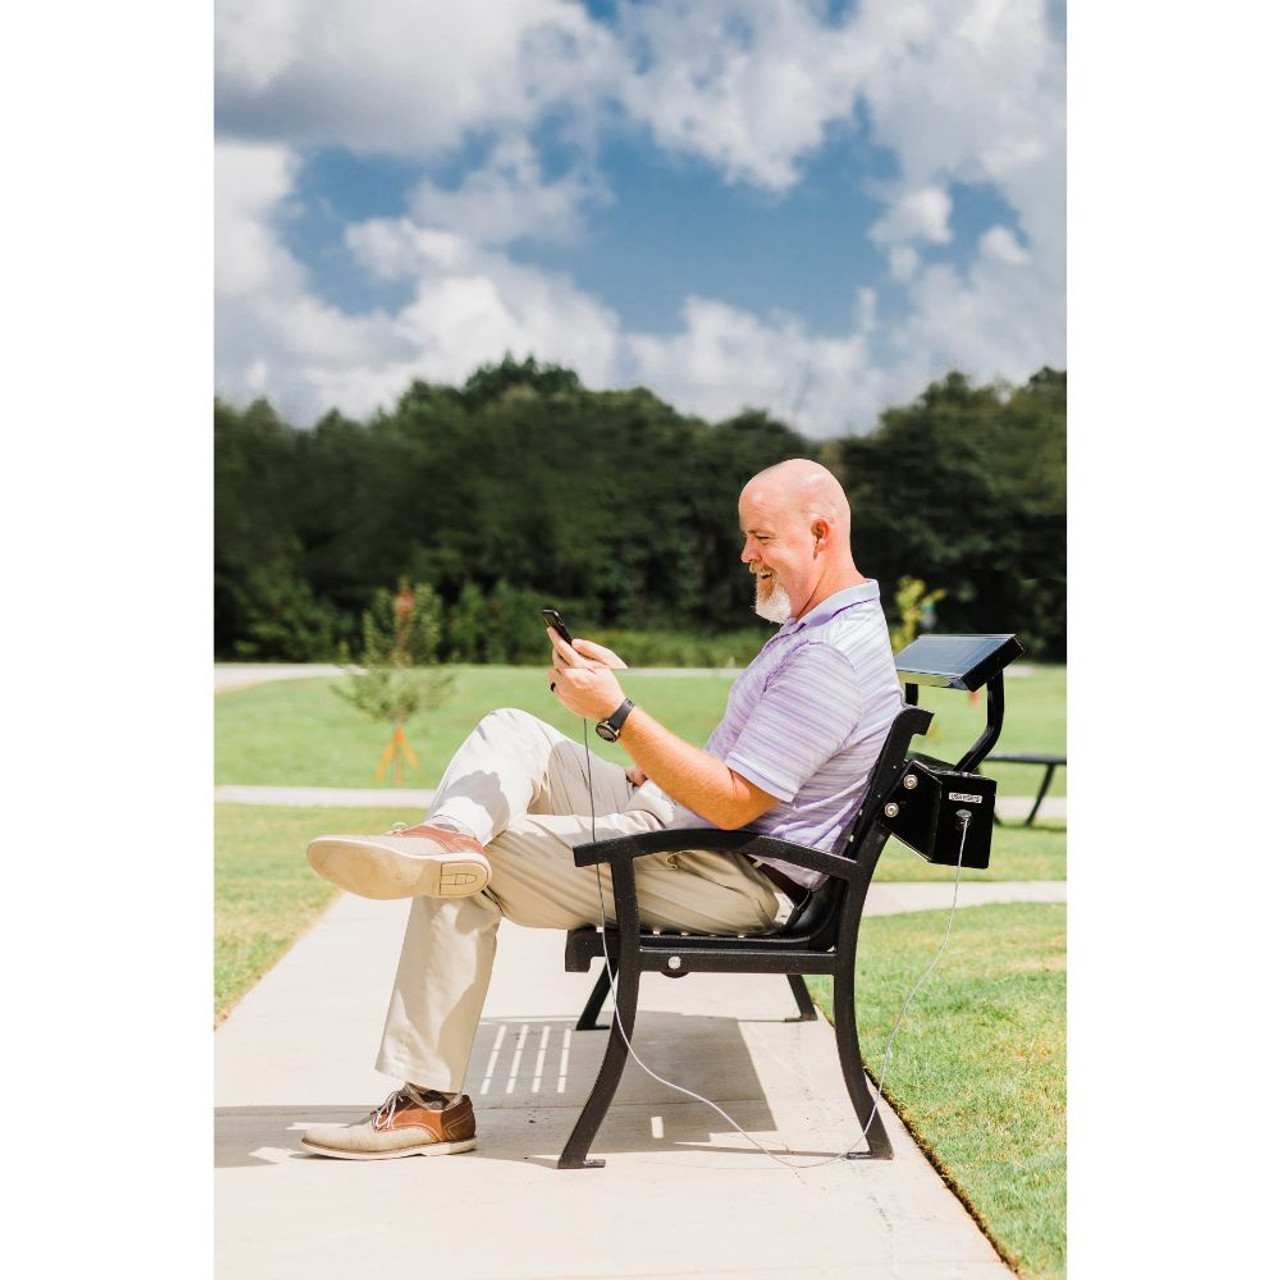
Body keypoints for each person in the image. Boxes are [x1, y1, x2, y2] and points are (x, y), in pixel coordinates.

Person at [299, 458, 902, 1160]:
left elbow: (736, 804)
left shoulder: (827, 655)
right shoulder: (820, 630)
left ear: (820, 533)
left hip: (729, 875)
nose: (746, 555)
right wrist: (628, 725)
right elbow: (740, 775)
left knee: (473, 866)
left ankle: (431, 1105)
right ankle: (446, 835)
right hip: (690, 831)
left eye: (760, 538)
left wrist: (616, 713)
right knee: (512, 732)